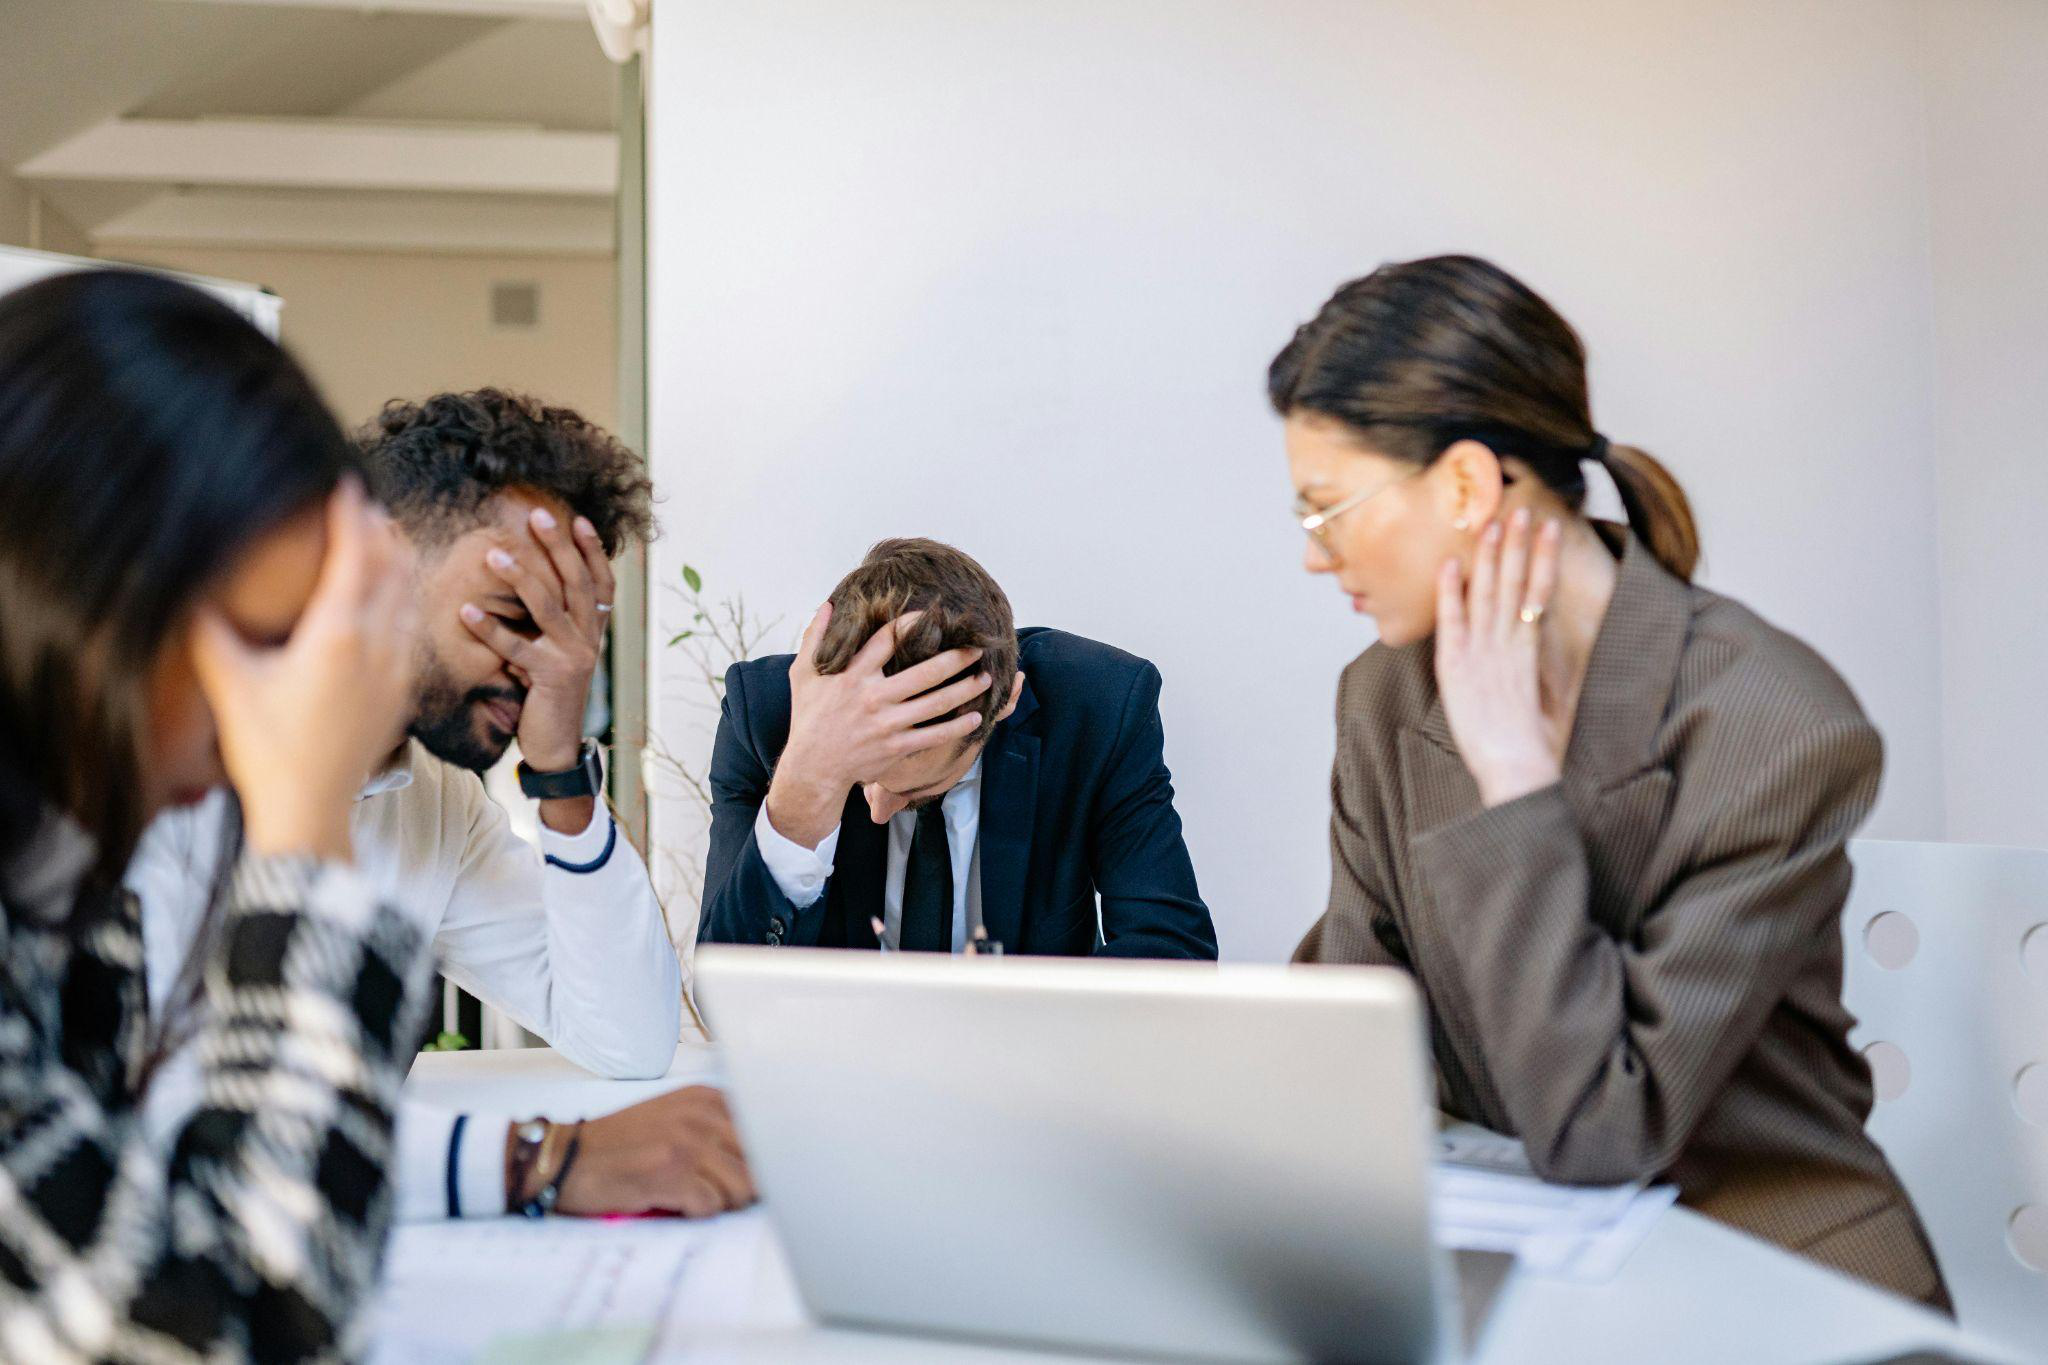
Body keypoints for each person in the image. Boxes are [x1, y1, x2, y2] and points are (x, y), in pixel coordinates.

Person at [1275, 255, 1950, 1309]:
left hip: (1767, 1265)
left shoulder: (1775, 722)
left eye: (1325, 511)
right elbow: (1359, 1039)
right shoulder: (1382, 697)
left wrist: (1510, 777)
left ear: (1462, 483)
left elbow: (1602, 1126)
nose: (1316, 557)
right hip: (1526, 1253)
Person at [130, 389, 751, 1223]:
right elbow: (150, 1118)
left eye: (570, 637)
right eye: (511, 617)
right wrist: (538, 1162)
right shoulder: (166, 754)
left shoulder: (437, 800)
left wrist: (560, 771)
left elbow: (630, 1038)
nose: (546, 669)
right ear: (377, 560)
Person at [0, 268, 440, 1359]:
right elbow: (236, 1333)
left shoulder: (58, 872)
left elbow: (156, 1230)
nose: (262, 728)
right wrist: (305, 836)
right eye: (255, 650)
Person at [698, 538, 1216, 958]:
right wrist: (807, 786)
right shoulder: (765, 716)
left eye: (916, 788)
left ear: (1004, 701)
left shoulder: (1098, 705)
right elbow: (725, 995)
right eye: (861, 773)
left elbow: (1171, 954)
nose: (876, 805)